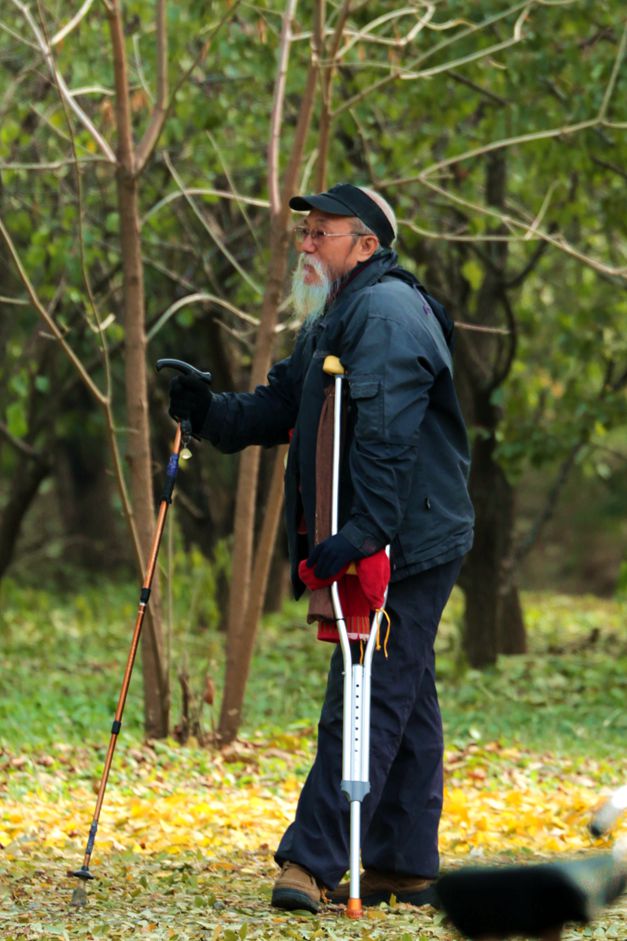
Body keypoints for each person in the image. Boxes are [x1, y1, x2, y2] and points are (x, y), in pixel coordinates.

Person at [168, 183, 474, 913]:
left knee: (365, 689)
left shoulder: (389, 313)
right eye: (303, 232)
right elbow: (282, 405)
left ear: (366, 244)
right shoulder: (336, 313)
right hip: (392, 526)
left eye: (321, 232)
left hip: (407, 535)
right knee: (405, 690)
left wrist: (365, 533)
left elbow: (386, 431)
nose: (304, 244)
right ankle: (404, 860)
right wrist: (209, 414)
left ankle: (311, 859)